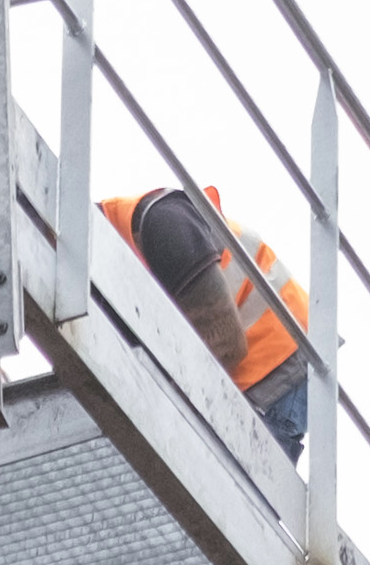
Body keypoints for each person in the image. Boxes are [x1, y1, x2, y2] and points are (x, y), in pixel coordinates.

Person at [105, 182, 312, 453]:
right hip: (256, 371)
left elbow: (227, 342)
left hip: (276, 363)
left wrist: (151, 399)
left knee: (241, 490)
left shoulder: (163, 225)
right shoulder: (114, 263)